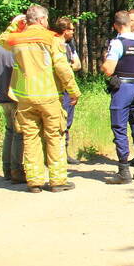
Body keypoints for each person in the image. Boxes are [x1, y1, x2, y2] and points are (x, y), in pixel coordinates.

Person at [0, 5, 81, 193]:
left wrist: (16, 25)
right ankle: (57, 181)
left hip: (26, 98)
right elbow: (62, 67)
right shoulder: (50, 38)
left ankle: (34, 181)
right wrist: (74, 90)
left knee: (30, 138)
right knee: (54, 137)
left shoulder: (16, 39)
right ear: (42, 19)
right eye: (46, 19)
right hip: (49, 96)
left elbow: (1, 39)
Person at [102, 10, 134, 184]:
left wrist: (104, 64)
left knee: (120, 128)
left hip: (122, 89)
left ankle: (123, 171)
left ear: (116, 25)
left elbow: (108, 69)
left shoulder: (117, 43)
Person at [0, 15, 25, 182]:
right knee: (19, 132)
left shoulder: (1, 44)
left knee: (9, 131)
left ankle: (7, 169)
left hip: (2, 94)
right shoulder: (16, 44)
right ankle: (16, 171)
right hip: (15, 95)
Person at [53, 16, 82, 164]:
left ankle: (64, 152)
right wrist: (67, 67)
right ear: (64, 30)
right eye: (72, 29)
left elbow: (77, 65)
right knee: (59, 122)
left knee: (68, 121)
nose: (74, 32)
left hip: (68, 89)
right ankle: (56, 156)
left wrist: (68, 67)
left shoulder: (70, 45)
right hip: (57, 89)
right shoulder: (54, 44)